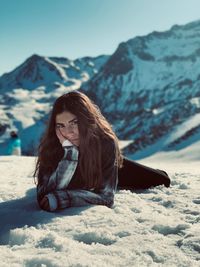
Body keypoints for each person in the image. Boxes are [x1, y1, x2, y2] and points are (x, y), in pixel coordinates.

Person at [34, 91, 170, 212]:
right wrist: (69, 153)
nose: (69, 132)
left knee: (162, 179)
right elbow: (44, 195)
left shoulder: (105, 142)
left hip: (107, 168)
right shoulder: (52, 145)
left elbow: (106, 198)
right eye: (61, 125)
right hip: (84, 177)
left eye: (74, 123)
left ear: (86, 119)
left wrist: (65, 197)